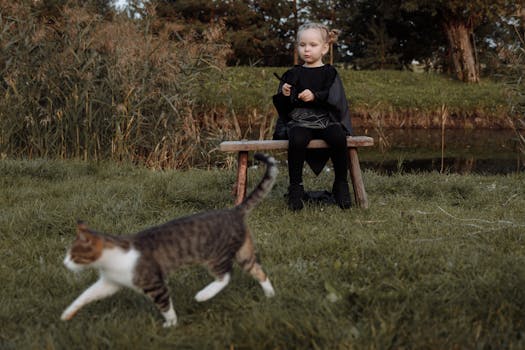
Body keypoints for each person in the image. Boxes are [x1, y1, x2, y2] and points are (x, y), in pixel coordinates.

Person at [272, 22, 353, 211]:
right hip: (300, 121)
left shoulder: (330, 73)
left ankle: (340, 184)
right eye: (302, 45)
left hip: (326, 120)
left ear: (325, 48)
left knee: (338, 137)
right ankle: (296, 188)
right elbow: (284, 108)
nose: (306, 49)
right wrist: (285, 94)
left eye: (313, 45)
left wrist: (315, 96)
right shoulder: (293, 73)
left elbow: (335, 98)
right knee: (297, 138)